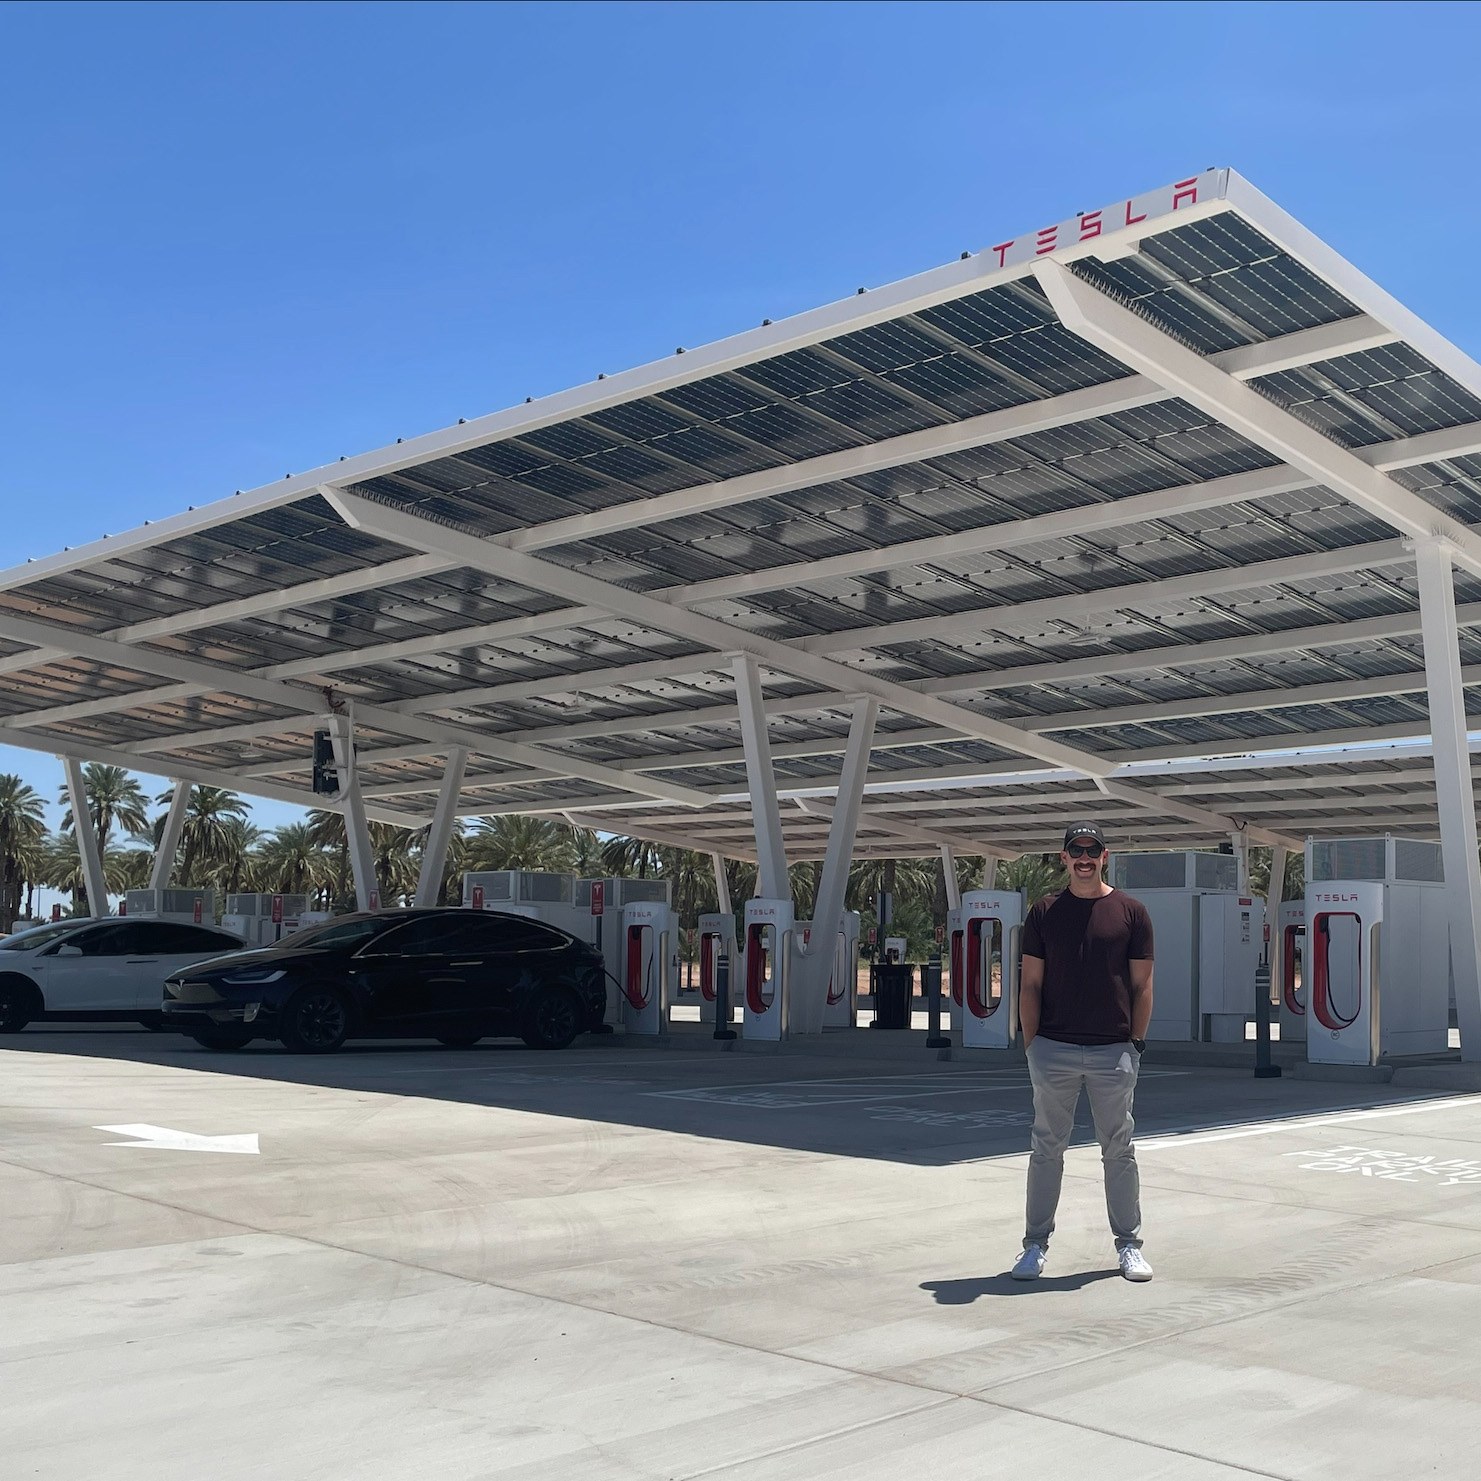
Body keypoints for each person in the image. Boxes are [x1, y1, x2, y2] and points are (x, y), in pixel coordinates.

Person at [1011, 822, 1155, 1283]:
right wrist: (1032, 1045)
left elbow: (1142, 986)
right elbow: (1029, 983)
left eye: (1092, 850)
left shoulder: (1131, 912)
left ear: (1105, 855)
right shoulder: (1044, 912)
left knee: (1119, 1150)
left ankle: (1129, 1246)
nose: (1085, 857)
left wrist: (1134, 1045)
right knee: (1045, 1150)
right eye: (1077, 850)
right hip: (1052, 1048)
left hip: (1113, 1051)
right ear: (1064, 857)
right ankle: (1034, 1246)